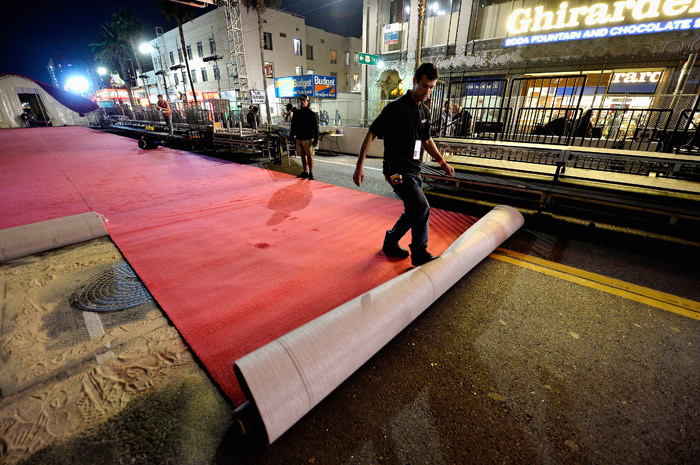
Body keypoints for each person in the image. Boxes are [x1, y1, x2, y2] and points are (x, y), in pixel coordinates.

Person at [353, 62, 455, 267]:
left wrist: (442, 162)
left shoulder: (425, 112)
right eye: (425, 85)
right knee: (421, 206)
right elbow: (371, 132)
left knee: (412, 211)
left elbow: (426, 141)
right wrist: (359, 166)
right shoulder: (395, 109)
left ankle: (390, 241)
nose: (428, 91)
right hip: (396, 172)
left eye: (432, 87)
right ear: (415, 81)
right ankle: (419, 251)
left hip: (415, 170)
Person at [290, 94, 319, 180]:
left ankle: (311, 173)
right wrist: (291, 136)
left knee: (309, 156)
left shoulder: (312, 114)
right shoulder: (297, 113)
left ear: (308, 101)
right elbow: (293, 126)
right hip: (299, 138)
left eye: (304, 100)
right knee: (302, 155)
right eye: (301, 100)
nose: (302, 102)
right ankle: (305, 171)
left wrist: (316, 140)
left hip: (309, 138)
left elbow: (316, 128)